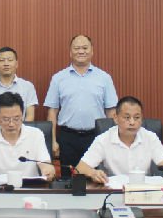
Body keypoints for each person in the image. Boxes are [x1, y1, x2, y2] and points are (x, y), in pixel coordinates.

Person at [44, 35, 117, 176]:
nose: (81, 51)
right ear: (70, 52)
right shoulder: (58, 78)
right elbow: (52, 112)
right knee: (68, 180)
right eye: (77, 48)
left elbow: (111, 112)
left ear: (92, 51)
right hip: (67, 138)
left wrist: (111, 140)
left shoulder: (104, 78)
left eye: (85, 48)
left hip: (96, 137)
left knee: (96, 179)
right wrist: (53, 141)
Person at [76, 96, 163, 185]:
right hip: (113, 192)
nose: (132, 122)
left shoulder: (150, 137)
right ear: (116, 118)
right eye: (127, 117)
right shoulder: (103, 139)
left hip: (142, 192)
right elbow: (80, 168)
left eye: (137, 117)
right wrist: (93, 173)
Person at [0, 92, 55, 183]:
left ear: (22, 116)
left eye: (16, 119)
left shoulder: (36, 135)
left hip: (28, 189)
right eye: (6, 119)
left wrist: (48, 171)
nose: (11, 124)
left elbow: (46, 164)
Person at [0, 46, 38, 133]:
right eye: (2, 60)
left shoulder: (28, 86)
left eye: (10, 60)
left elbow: (30, 116)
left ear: (16, 64)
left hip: (19, 135)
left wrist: (19, 134)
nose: (6, 63)